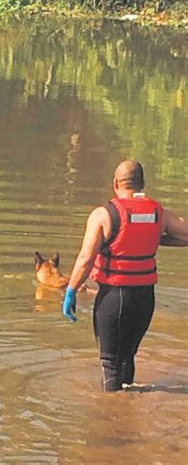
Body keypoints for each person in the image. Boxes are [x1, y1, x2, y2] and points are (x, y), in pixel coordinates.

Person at [62, 160, 188, 392]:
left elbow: (86, 258)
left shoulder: (103, 215)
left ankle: (112, 418)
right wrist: (157, 238)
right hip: (144, 300)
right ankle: (129, 408)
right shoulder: (159, 214)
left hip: (113, 298)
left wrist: (71, 290)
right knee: (127, 356)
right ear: (142, 184)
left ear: (115, 183)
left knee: (109, 363)